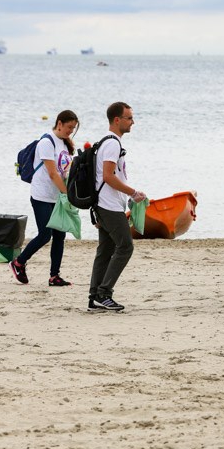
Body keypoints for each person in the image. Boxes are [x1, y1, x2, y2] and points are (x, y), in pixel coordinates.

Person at [87, 102, 146, 312]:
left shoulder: (107, 142)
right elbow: (108, 176)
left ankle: (95, 297)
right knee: (125, 247)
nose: (133, 122)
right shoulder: (112, 143)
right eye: (129, 118)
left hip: (105, 204)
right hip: (108, 205)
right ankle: (104, 293)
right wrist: (133, 192)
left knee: (105, 250)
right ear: (117, 120)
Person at [9, 110, 79, 287]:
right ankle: (18, 262)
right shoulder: (46, 142)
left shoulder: (64, 143)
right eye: (69, 127)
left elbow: (64, 171)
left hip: (56, 197)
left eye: (73, 128)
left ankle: (54, 276)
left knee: (59, 235)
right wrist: (67, 194)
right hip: (41, 195)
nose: (71, 131)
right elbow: (52, 173)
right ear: (59, 123)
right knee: (45, 234)